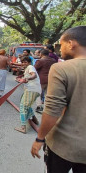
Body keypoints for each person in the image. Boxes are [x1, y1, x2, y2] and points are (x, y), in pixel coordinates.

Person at [31, 26, 86, 172]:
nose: (59, 50)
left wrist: (40, 138)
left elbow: (53, 109)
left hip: (64, 145)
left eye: (61, 45)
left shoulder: (62, 68)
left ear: (71, 43)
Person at [14, 56, 40, 134]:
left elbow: (34, 75)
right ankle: (35, 120)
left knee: (23, 106)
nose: (23, 64)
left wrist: (27, 79)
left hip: (32, 89)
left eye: (25, 62)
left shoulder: (30, 67)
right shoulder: (27, 68)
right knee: (27, 105)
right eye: (22, 62)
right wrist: (21, 79)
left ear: (29, 62)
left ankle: (23, 127)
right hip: (33, 89)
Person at [33, 49, 56, 113]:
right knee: (48, 94)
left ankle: (39, 106)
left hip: (41, 79)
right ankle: (47, 108)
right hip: (51, 79)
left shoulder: (40, 61)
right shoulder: (53, 61)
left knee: (38, 93)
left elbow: (34, 69)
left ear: (41, 54)